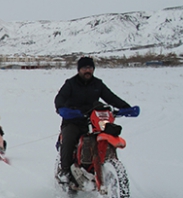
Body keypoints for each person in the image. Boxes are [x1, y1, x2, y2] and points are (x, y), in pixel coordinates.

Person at [54, 56, 133, 184]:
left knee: (107, 133)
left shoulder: (98, 84)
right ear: (79, 69)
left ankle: (106, 166)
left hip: (94, 121)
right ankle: (65, 172)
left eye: (90, 68)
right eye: (84, 68)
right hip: (73, 120)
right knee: (68, 138)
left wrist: (126, 108)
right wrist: (62, 108)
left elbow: (111, 97)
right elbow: (60, 98)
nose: (88, 70)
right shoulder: (71, 84)